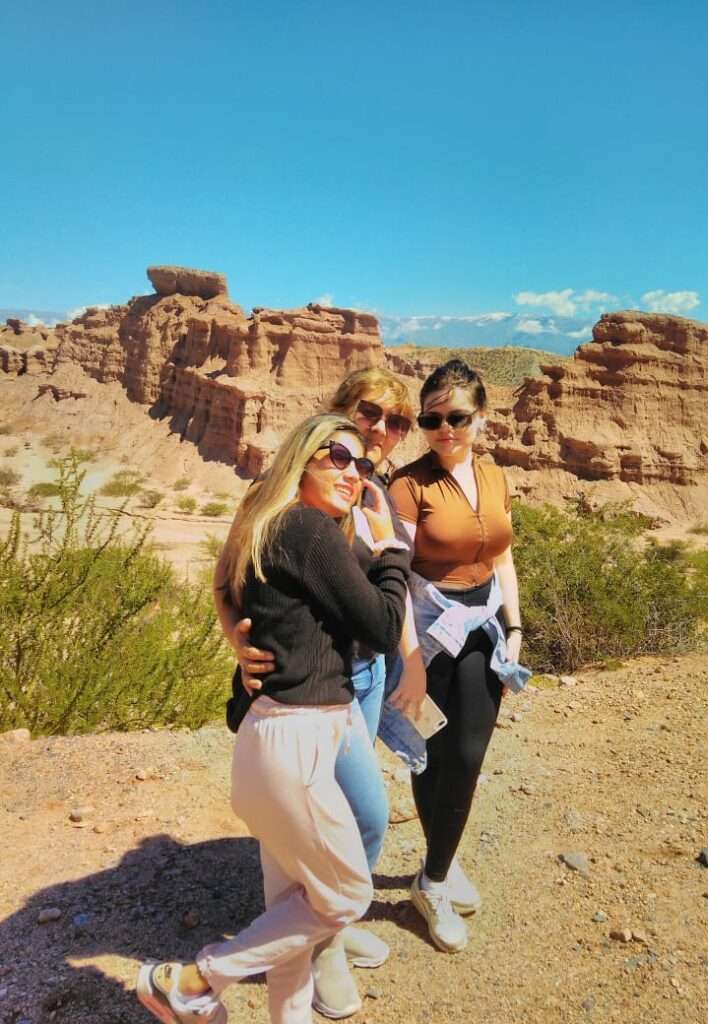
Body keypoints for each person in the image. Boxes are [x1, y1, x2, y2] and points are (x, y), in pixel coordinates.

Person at [137, 414, 410, 1024]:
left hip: (269, 745)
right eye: (338, 456)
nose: (353, 473)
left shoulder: (273, 526)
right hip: (297, 748)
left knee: (291, 913)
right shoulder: (306, 528)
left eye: (363, 465)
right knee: (346, 895)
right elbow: (383, 628)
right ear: (302, 459)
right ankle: (191, 980)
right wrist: (392, 549)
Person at [214, 367, 426, 1018]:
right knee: (339, 817)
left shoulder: (368, 488)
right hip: (306, 688)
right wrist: (237, 641)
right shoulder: (286, 497)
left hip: (361, 676)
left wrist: (410, 661)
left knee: (342, 817)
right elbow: (226, 579)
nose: (382, 430)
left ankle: (318, 932)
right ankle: (324, 933)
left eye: (398, 422)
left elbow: (386, 599)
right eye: (370, 413)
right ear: (338, 410)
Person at [389, 358, 529, 954]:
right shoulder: (408, 484)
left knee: (468, 755)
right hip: (425, 634)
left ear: (481, 417)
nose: (444, 429)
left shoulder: (495, 477)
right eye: (431, 419)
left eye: (457, 417)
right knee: (430, 755)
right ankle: (438, 873)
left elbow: (502, 557)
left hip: (481, 628)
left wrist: (514, 626)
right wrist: (410, 661)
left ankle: (434, 873)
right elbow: (395, 579)